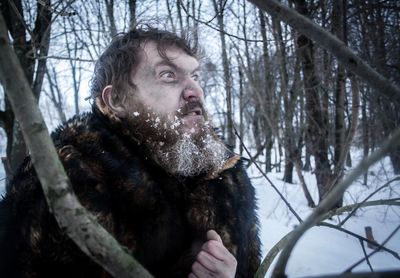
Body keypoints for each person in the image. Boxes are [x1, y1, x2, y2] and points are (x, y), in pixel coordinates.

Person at [0, 28, 261, 278]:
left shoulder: (226, 177)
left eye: (195, 76)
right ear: (117, 100)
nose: (195, 91)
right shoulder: (64, 180)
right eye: (168, 75)